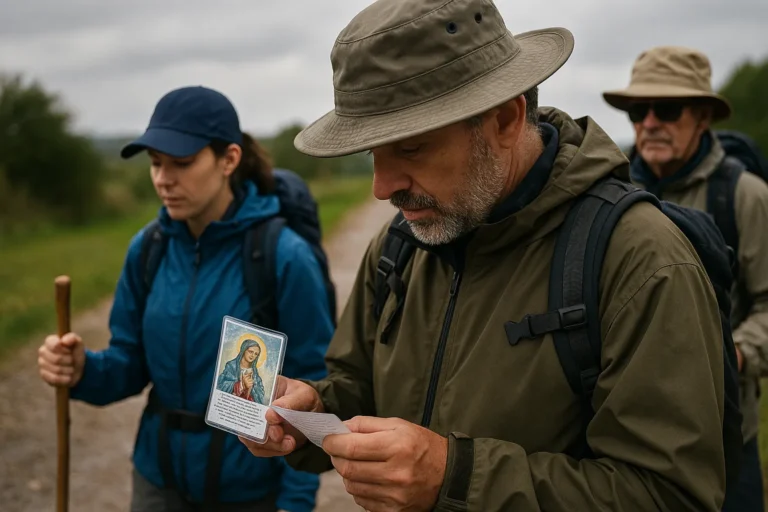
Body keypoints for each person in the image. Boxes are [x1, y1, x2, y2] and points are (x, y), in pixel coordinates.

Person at [240, 0, 730, 511]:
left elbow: (671, 494)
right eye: (372, 153)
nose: (382, 188)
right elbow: (357, 385)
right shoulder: (399, 246)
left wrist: (453, 478)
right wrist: (314, 411)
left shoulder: (638, 260)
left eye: (410, 149)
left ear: (504, 119)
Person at [36, 85, 334, 512]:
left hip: (248, 492)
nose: (162, 178)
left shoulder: (283, 256)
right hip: (158, 484)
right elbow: (130, 363)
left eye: (181, 163)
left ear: (229, 159)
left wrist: (295, 501)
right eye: (156, 164)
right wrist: (83, 370)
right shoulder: (149, 249)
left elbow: (314, 385)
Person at [602, 45, 768, 512]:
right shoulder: (608, 195)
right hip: (627, 441)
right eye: (638, 110)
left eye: (667, 109)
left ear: (701, 117)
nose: (649, 122)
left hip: (725, 437)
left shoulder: (746, 196)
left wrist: (735, 353)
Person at [217, 338, 267, 404]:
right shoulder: (231, 366)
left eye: (256, 354)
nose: (253, 355)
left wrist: (252, 387)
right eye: (250, 351)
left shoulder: (255, 373)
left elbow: (261, 393)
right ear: (244, 350)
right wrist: (242, 384)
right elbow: (220, 385)